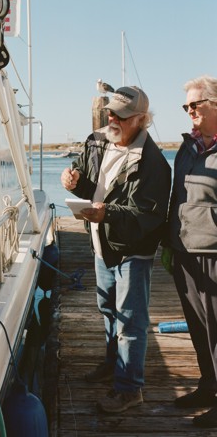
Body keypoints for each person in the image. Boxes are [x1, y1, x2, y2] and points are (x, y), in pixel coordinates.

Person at [61, 85, 170, 413]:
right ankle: (113, 366)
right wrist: (73, 179)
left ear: (141, 119)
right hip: (101, 243)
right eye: (110, 111)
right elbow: (88, 180)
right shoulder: (97, 139)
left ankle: (129, 388)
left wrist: (106, 213)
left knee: (131, 321)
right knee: (108, 310)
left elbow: (147, 217)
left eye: (120, 115)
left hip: (132, 251)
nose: (112, 118)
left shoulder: (155, 165)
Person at [163, 75, 217, 428]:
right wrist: (168, 242)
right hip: (183, 250)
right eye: (186, 106)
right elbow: (175, 196)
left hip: (213, 253)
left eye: (196, 104)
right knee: (199, 328)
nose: (189, 111)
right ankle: (207, 386)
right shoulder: (188, 147)